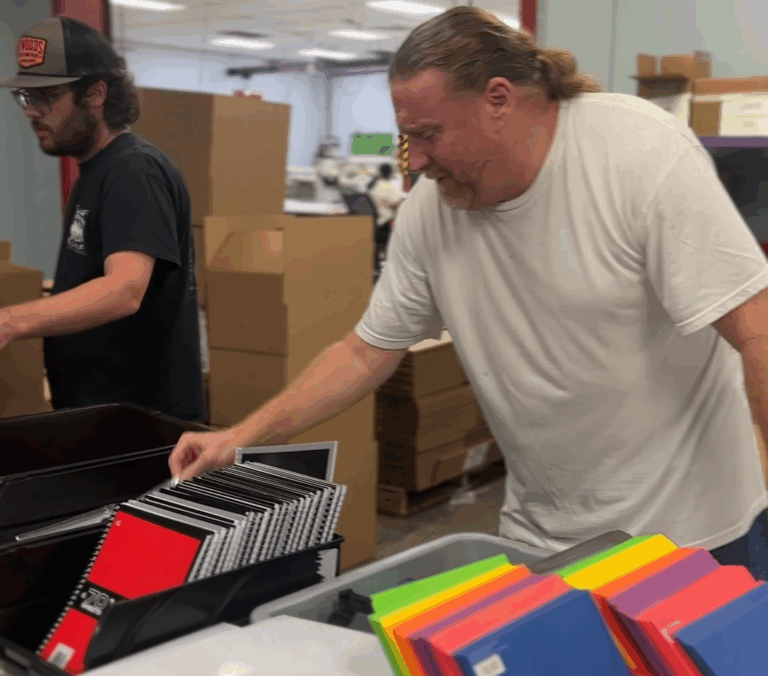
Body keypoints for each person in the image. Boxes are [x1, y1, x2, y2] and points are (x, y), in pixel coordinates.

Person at [169, 7, 768, 577]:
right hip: (542, 534)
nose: (415, 160)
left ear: (499, 99)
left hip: (690, 535)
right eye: (407, 138)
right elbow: (365, 351)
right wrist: (241, 436)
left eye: (428, 134)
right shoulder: (433, 208)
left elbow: (756, 330)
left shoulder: (640, 154)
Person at [0, 17, 205, 422]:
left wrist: (10, 321)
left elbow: (124, 289)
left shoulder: (134, 171)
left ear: (95, 93)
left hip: (141, 428)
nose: (32, 112)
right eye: (27, 96)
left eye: (48, 96)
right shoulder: (96, 170)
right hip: (101, 417)